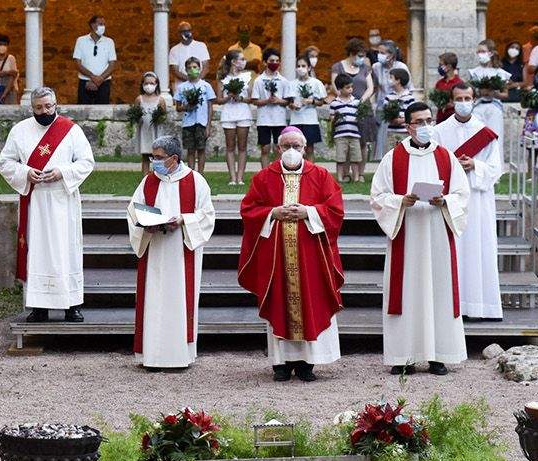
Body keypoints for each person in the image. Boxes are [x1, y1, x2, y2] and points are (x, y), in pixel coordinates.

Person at [238, 127, 347, 382]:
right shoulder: (264, 178)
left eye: (296, 146)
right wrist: (272, 213)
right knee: (279, 302)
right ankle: (281, 363)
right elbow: (248, 210)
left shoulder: (320, 175)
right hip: (276, 260)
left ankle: (309, 363)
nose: (291, 151)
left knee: (311, 301)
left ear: (305, 147)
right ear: (278, 149)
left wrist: (309, 212)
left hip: (312, 258)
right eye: (286, 145)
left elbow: (335, 210)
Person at [370, 102, 470, 375]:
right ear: (408, 126)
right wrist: (401, 201)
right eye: (419, 122)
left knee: (439, 289)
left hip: (437, 231)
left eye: (429, 121)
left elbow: (463, 195)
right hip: (408, 234)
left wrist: (444, 200)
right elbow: (378, 197)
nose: (425, 127)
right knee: (408, 291)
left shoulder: (446, 157)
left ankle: (438, 355)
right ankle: (404, 357)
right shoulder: (393, 158)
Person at [0, 88, 95, 323]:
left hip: (63, 200)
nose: (45, 111)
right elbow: (6, 162)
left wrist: (62, 172)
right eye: (39, 108)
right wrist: (26, 172)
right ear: (32, 108)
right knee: (37, 252)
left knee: (66, 252)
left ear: (56, 104)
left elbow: (86, 161)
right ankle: (38, 306)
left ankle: (72, 305)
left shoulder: (71, 130)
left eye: (49, 106)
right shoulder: (19, 131)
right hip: (36, 201)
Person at [127, 136, 216, 371]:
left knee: (179, 299)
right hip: (155, 249)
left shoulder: (195, 181)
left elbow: (207, 215)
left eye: (158, 158)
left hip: (180, 250)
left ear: (174, 158)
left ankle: (180, 355)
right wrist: (146, 223)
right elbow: (133, 209)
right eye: (152, 157)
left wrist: (183, 219)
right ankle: (151, 355)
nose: (153, 162)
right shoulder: (148, 181)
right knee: (153, 299)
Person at [436, 83, 504, 321]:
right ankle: (451, 304)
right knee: (454, 247)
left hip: (478, 198)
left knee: (479, 246)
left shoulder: (485, 132)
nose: (463, 102)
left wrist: (475, 165)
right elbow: (434, 163)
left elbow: (496, 168)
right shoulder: (440, 131)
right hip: (452, 198)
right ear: (452, 101)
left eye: (467, 97)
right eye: (459, 98)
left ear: (473, 100)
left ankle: (481, 306)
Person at [217, 50, 255, 188]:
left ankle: (240, 177)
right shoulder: (223, 78)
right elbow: (219, 99)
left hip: (243, 112)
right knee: (230, 146)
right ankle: (232, 177)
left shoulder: (248, 77)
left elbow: (251, 98)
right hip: (228, 113)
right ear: (233, 61)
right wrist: (229, 97)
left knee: (243, 146)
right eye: (242, 59)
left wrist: (241, 98)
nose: (244, 62)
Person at [251, 48, 292, 168]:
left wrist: (278, 100)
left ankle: (277, 170)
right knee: (265, 147)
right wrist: (267, 101)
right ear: (265, 62)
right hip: (264, 119)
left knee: (278, 147)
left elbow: (288, 101)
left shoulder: (283, 81)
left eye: (277, 61)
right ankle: (265, 172)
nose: (274, 63)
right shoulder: (259, 81)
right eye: (271, 60)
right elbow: (255, 100)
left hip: (279, 119)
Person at [173, 60, 215, 175]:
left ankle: (200, 174)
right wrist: (187, 107)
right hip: (188, 123)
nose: (192, 69)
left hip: (201, 122)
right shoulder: (182, 87)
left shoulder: (205, 86)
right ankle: (191, 173)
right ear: (186, 70)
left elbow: (210, 107)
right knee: (190, 149)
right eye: (190, 67)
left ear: (200, 68)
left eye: (195, 67)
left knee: (201, 149)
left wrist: (208, 126)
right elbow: (178, 107)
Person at [468, 39, 511, 134]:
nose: (480, 54)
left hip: (494, 107)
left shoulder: (499, 72)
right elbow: (470, 93)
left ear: (491, 53)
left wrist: (494, 93)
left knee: (495, 136)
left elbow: (505, 94)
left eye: (482, 51)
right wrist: (479, 93)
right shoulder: (474, 72)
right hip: (478, 107)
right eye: (478, 52)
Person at [328, 73, 365, 185]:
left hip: (354, 134)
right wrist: (335, 119)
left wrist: (359, 119)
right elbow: (331, 118)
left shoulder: (356, 102)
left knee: (355, 158)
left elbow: (360, 117)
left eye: (351, 87)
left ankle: (356, 177)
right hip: (340, 134)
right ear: (340, 89)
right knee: (340, 158)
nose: (350, 89)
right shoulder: (335, 103)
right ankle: (340, 177)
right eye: (347, 87)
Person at [133, 71, 173, 173]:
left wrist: (158, 118)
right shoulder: (139, 99)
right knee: (145, 156)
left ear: (157, 85)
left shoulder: (160, 100)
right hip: (144, 130)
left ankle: (157, 174)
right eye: (146, 83)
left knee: (157, 155)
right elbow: (135, 113)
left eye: (152, 83)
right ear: (142, 85)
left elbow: (163, 115)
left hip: (156, 131)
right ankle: (145, 177)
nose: (149, 86)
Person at [288, 58, 328, 157]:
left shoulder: (316, 83)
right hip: (296, 120)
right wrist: (293, 105)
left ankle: (309, 171)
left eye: (303, 66)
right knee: (296, 149)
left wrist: (312, 101)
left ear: (309, 68)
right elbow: (289, 102)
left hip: (310, 120)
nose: (300, 68)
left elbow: (321, 102)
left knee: (309, 148)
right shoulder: (292, 84)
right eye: (298, 66)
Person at [73, 15, 116, 104]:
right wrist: (92, 77)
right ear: (92, 25)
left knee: (103, 112)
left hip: (104, 82)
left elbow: (112, 65)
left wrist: (100, 79)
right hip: (85, 82)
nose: (103, 27)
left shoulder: (109, 42)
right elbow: (77, 63)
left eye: (104, 24)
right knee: (83, 111)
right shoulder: (81, 40)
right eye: (100, 24)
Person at [432, 51, 463, 120]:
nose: (439, 67)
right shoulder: (439, 83)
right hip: (440, 118)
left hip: (453, 118)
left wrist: (450, 105)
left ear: (449, 66)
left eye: (441, 65)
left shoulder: (459, 83)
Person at [0, 34, 20, 105]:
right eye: (0, 44)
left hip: (10, 90)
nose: (2, 46)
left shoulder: (11, 58)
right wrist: (8, 72)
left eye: (5, 44)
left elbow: (13, 75)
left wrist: (5, 93)